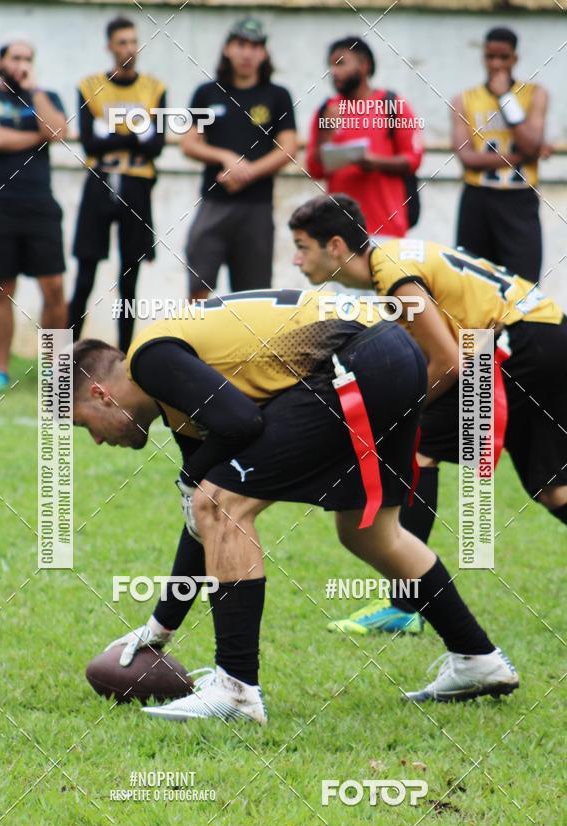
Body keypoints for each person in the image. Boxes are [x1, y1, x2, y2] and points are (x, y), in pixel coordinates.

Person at [72, 289, 519, 722]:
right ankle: (477, 658)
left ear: (99, 394)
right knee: (370, 533)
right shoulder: (173, 383)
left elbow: (241, 427)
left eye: (83, 424)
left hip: (357, 361)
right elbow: (199, 522)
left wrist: (194, 480)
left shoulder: (150, 360)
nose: (95, 439)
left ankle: (236, 690)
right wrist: (160, 627)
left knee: (221, 503)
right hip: (389, 353)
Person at [289, 193, 567, 633]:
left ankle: (406, 606)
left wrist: (401, 413)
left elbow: (450, 362)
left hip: (517, 344)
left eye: (302, 247)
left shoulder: (393, 275)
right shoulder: (392, 259)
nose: (295, 260)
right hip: (542, 333)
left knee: (416, 446)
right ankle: (408, 603)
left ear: (337, 246)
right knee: (554, 489)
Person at [0, 37, 67, 392]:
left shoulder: (46, 97)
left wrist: (34, 89)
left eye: (27, 58)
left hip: (40, 206)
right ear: (0, 60)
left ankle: (55, 369)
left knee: (54, 288)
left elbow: (58, 131)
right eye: (15, 57)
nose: (20, 63)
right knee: (1, 289)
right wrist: (38, 137)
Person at [181, 17, 297, 300]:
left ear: (264, 53)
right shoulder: (207, 93)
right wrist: (225, 157)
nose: (247, 53)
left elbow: (289, 148)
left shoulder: (277, 95)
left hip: (257, 208)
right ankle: (194, 343)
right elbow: (189, 143)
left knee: (253, 296)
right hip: (213, 203)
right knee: (198, 284)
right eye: (241, 45)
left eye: (255, 46)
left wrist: (247, 172)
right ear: (228, 49)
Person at [69, 17, 166, 352]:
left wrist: (110, 131)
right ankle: (62, 362)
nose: (129, 48)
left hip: (137, 187)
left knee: (130, 281)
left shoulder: (154, 88)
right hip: (99, 183)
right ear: (110, 46)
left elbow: (156, 146)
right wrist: (136, 133)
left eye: (133, 42)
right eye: (122, 42)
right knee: (84, 277)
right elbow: (88, 143)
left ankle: (125, 360)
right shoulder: (89, 85)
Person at [452, 26, 549, 283]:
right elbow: (467, 158)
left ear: (514, 58)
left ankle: (524, 326)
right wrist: (522, 157)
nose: (496, 64)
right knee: (474, 287)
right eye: (490, 57)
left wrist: (505, 97)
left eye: (503, 57)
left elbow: (529, 143)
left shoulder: (534, 94)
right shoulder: (464, 99)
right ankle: (482, 328)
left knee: (524, 289)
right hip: (478, 200)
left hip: (520, 200)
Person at [306, 37, 422, 241]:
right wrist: (327, 133)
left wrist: (373, 162)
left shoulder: (393, 105)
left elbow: (413, 159)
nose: (333, 71)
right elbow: (314, 170)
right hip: (339, 231)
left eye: (340, 63)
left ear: (364, 65)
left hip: (387, 227)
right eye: (331, 65)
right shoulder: (327, 110)